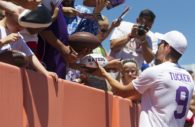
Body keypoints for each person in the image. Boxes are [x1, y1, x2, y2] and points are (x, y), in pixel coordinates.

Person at [97, 30, 194, 127]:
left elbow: (123, 92)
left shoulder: (156, 71)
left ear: (167, 47)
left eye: (161, 43)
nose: (158, 47)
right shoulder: (188, 77)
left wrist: (104, 73)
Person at [0, 4, 58, 81]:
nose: (20, 28)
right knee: (14, 57)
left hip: (6, 77)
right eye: (18, 23)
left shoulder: (17, 36)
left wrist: (45, 72)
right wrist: (3, 41)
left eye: (24, 25)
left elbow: (30, 55)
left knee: (23, 59)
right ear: (7, 13)